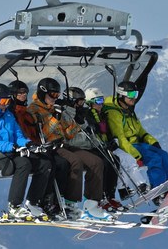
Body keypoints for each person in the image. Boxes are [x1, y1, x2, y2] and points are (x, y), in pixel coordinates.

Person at [27, 78, 112, 221]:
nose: (55, 98)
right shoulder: (34, 109)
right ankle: (69, 203)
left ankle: (91, 204)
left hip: (64, 143)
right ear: (42, 93)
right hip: (51, 145)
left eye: (57, 96)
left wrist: (77, 123)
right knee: (75, 162)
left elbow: (68, 133)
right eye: (52, 95)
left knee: (96, 162)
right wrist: (55, 118)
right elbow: (44, 134)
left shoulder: (54, 108)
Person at [0, 83, 52, 220]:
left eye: (8, 101)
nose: (6, 104)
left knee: (44, 162)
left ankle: (33, 202)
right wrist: (13, 147)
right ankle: (14, 206)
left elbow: (18, 135)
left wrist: (29, 144)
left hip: (13, 150)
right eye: (3, 101)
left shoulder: (8, 115)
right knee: (24, 163)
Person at [103, 81, 168, 206]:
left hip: (138, 144)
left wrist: (153, 142)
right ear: (121, 94)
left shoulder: (128, 110)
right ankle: (158, 192)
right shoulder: (114, 113)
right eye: (131, 94)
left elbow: (140, 130)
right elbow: (120, 138)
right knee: (154, 158)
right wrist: (136, 156)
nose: (134, 97)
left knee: (163, 154)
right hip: (129, 147)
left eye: (135, 94)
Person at [8, 80, 69, 218]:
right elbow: (22, 133)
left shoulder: (25, 111)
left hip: (32, 144)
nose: (23, 95)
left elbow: (34, 130)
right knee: (49, 162)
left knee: (56, 163)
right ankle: (41, 201)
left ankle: (47, 201)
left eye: (25, 92)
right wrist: (29, 144)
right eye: (19, 93)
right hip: (22, 148)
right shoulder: (15, 112)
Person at [84, 87, 149, 205]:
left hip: (109, 145)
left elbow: (107, 131)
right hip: (100, 148)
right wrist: (102, 142)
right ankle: (126, 188)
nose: (101, 103)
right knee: (118, 162)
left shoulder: (102, 114)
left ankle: (139, 186)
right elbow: (93, 133)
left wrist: (112, 140)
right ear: (90, 102)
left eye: (102, 100)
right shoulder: (88, 115)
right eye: (98, 101)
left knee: (129, 159)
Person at [63, 87, 124, 212]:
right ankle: (93, 199)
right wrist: (90, 141)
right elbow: (69, 138)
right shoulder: (65, 113)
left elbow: (88, 132)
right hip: (73, 147)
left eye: (82, 101)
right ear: (71, 101)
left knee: (112, 159)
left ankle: (109, 195)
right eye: (79, 101)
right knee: (97, 162)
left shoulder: (80, 112)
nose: (81, 104)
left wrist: (100, 143)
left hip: (85, 145)